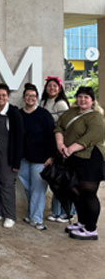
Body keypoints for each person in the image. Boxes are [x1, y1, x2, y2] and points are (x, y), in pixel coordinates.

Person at [55, 86, 105, 241]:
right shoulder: (70, 112)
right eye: (80, 96)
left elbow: (93, 135)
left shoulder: (95, 116)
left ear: (92, 101)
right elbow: (59, 127)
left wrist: (70, 148)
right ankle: (82, 222)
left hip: (90, 159)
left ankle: (91, 229)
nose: (82, 100)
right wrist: (60, 144)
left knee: (88, 193)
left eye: (86, 97)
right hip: (73, 159)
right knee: (76, 191)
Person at [18, 83, 55, 231]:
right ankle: (32, 214)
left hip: (41, 159)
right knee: (28, 188)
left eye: (33, 96)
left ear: (37, 98)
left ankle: (37, 219)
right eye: (28, 96)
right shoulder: (19, 114)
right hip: (23, 159)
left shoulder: (44, 115)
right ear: (24, 98)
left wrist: (51, 156)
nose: (30, 98)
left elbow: (52, 136)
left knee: (38, 189)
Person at [0, 83, 24, 228]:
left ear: (8, 97)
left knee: (7, 185)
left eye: (4, 95)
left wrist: (16, 162)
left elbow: (19, 138)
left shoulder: (14, 113)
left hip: (8, 155)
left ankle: (10, 215)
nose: (1, 97)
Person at [40, 76, 72, 223]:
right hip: (48, 144)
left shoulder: (61, 104)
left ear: (59, 88)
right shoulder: (43, 102)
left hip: (60, 145)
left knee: (62, 181)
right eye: (49, 86)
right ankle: (55, 211)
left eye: (55, 86)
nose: (51, 88)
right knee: (54, 180)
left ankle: (68, 212)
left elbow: (65, 127)